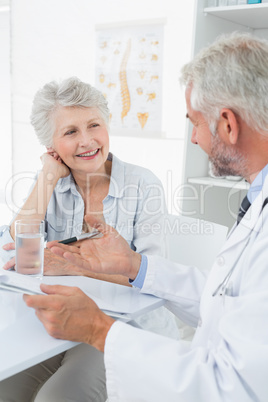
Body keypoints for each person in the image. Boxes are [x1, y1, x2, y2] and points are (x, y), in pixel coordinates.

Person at [19, 32, 268, 401]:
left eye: (194, 123)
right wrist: (133, 265)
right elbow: (219, 297)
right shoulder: (257, 199)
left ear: (228, 124)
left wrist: (97, 315)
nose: (193, 139)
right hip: (72, 320)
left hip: (133, 330)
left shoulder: (142, 184)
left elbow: (235, 383)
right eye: (70, 131)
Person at [0, 77, 179, 402]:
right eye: (70, 132)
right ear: (51, 145)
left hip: (126, 328)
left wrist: (70, 267)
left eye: (94, 125)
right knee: (5, 388)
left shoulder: (143, 185)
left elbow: (156, 279)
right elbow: (15, 243)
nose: (87, 141)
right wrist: (47, 176)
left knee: (58, 397)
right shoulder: (52, 182)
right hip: (59, 322)